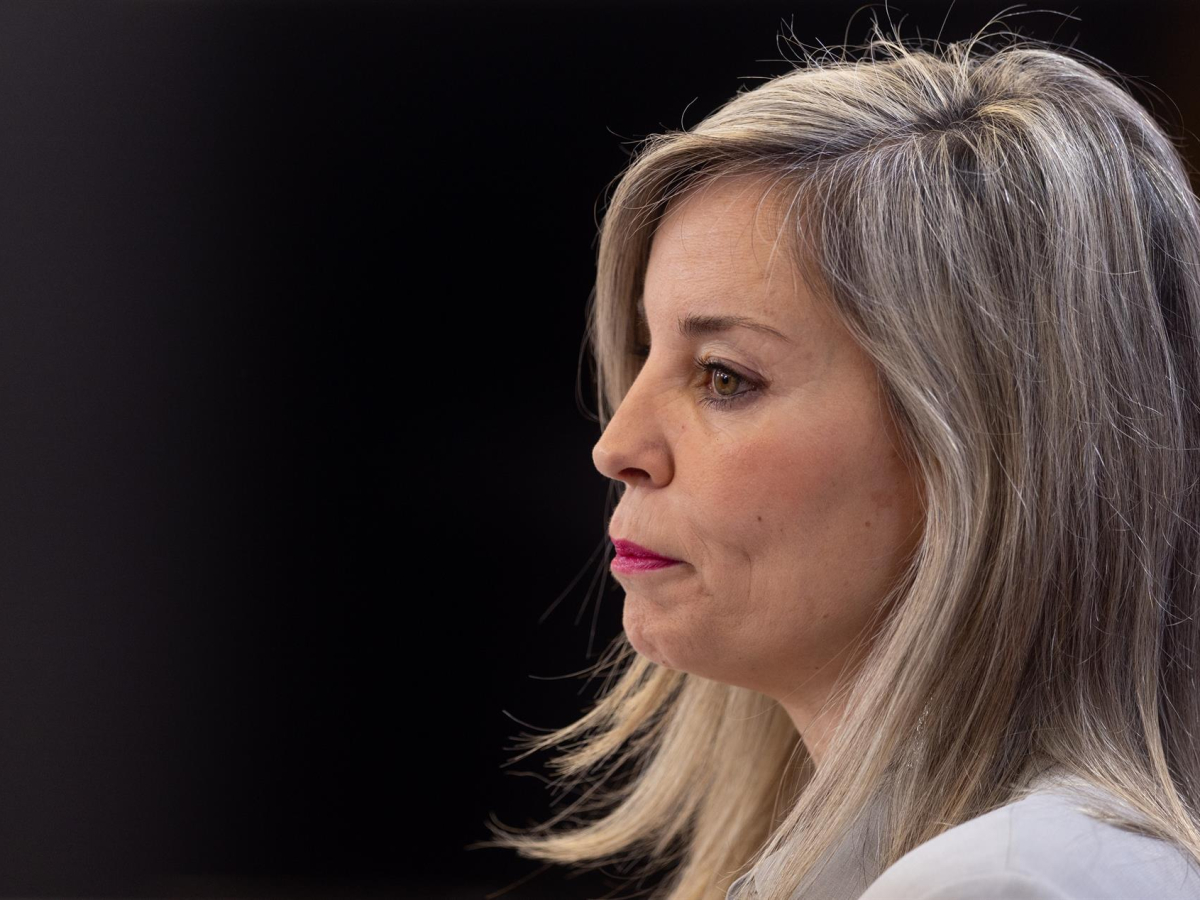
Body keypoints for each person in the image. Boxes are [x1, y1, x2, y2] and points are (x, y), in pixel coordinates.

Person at [475, 17, 1200, 900]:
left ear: (972, 444)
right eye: (643, 352)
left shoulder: (1010, 881)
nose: (616, 447)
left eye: (723, 376)